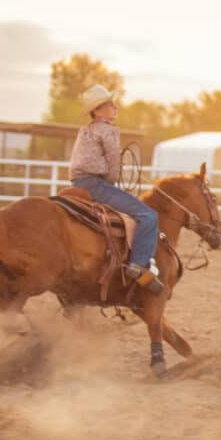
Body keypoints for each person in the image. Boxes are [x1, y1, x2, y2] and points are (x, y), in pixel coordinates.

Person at [69, 85, 163, 295]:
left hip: (78, 184)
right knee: (148, 215)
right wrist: (112, 182)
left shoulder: (86, 130)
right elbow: (112, 165)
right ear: (98, 110)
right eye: (111, 104)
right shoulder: (109, 130)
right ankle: (138, 264)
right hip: (96, 185)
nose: (115, 107)